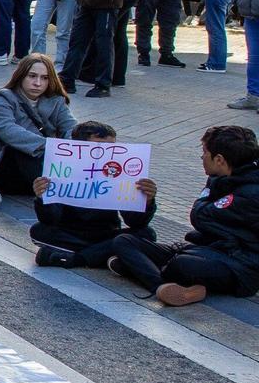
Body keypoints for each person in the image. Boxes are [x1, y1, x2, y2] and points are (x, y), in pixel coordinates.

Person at [103, 125, 259, 306]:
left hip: (240, 266)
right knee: (124, 241)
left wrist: (211, 187)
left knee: (181, 265)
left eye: (204, 152)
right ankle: (163, 286)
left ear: (219, 160)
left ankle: (150, 277)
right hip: (206, 249)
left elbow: (199, 215)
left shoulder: (250, 193)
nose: (202, 157)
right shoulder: (225, 177)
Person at [29, 120, 159, 268]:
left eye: (111, 148)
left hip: (105, 234)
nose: (105, 153)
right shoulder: (62, 171)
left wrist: (147, 201)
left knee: (147, 234)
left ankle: (77, 259)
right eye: (99, 148)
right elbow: (49, 219)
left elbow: (135, 222)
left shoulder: (118, 172)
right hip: (70, 233)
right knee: (39, 230)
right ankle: (106, 256)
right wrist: (42, 198)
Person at [0, 54, 77, 196]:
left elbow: (71, 127)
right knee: (19, 150)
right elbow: (8, 131)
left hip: (42, 162)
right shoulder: (4, 98)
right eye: (32, 76)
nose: (38, 83)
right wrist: (51, 146)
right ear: (21, 76)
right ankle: (56, 188)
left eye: (44, 78)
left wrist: (70, 148)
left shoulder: (56, 101)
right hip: (3, 167)